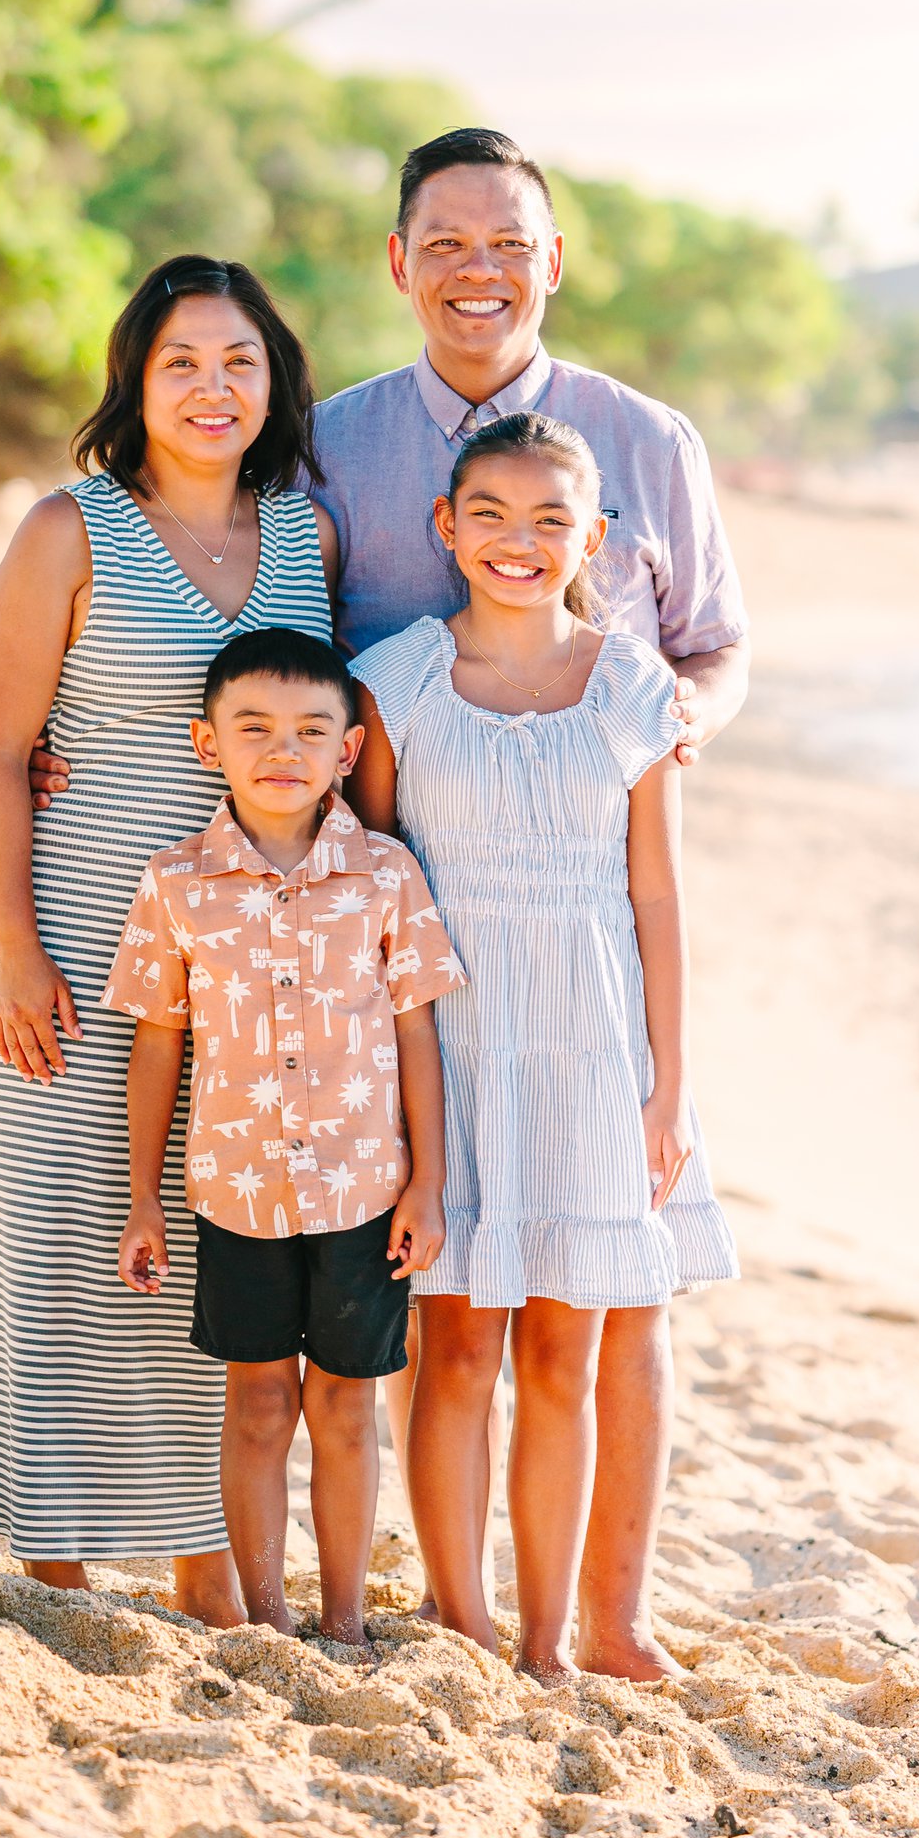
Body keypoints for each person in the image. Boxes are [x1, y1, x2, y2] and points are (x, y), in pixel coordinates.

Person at [314, 126, 750, 1678]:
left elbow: (714, 647)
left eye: (510, 242)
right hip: (428, 962)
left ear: (554, 261)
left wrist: (667, 727)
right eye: (446, 242)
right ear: (399, 261)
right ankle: (457, 1610)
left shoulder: (647, 439)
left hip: (590, 945)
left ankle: (599, 1623)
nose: (478, 271)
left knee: (608, 1312)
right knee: (447, 1318)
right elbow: (280, 664)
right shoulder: (334, 442)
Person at [0, 255, 338, 1615]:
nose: (213, 388)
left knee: (208, 1252)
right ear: (136, 381)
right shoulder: (70, 527)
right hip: (70, 930)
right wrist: (17, 944)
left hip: (244, 961)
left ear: (273, 380)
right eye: (181, 363)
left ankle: (202, 1561)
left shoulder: (309, 538)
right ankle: (49, 1558)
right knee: (59, 1235)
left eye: (239, 361)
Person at [104, 630, 456, 1645]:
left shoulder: (386, 873)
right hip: (237, 1189)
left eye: (310, 730)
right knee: (258, 1404)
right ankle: (266, 1620)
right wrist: (141, 1197)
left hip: (364, 1191)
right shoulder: (176, 882)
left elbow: (417, 1031)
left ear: (349, 750)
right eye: (253, 727)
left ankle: (343, 1621)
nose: (282, 749)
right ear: (206, 742)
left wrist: (427, 1183)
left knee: (345, 1408)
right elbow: (158, 1043)